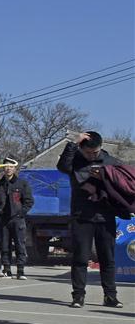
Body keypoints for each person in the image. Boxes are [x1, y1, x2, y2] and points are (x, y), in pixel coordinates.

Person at [57, 131, 124, 308]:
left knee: (107, 258)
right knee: (80, 257)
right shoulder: (75, 160)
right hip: (82, 216)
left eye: (95, 152)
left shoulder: (111, 162)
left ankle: (110, 296)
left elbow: (123, 183)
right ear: (81, 148)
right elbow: (62, 166)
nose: (92, 155)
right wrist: (73, 143)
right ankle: (78, 296)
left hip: (105, 215)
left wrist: (104, 178)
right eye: (88, 152)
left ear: (101, 148)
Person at [0, 158, 33, 279]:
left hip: (17, 219)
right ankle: (7, 269)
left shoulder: (21, 183)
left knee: (19, 244)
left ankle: (20, 270)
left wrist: (21, 213)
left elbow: (29, 201)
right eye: (6, 166)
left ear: (15, 168)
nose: (8, 169)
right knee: (4, 245)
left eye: (11, 166)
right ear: (3, 168)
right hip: (3, 219)